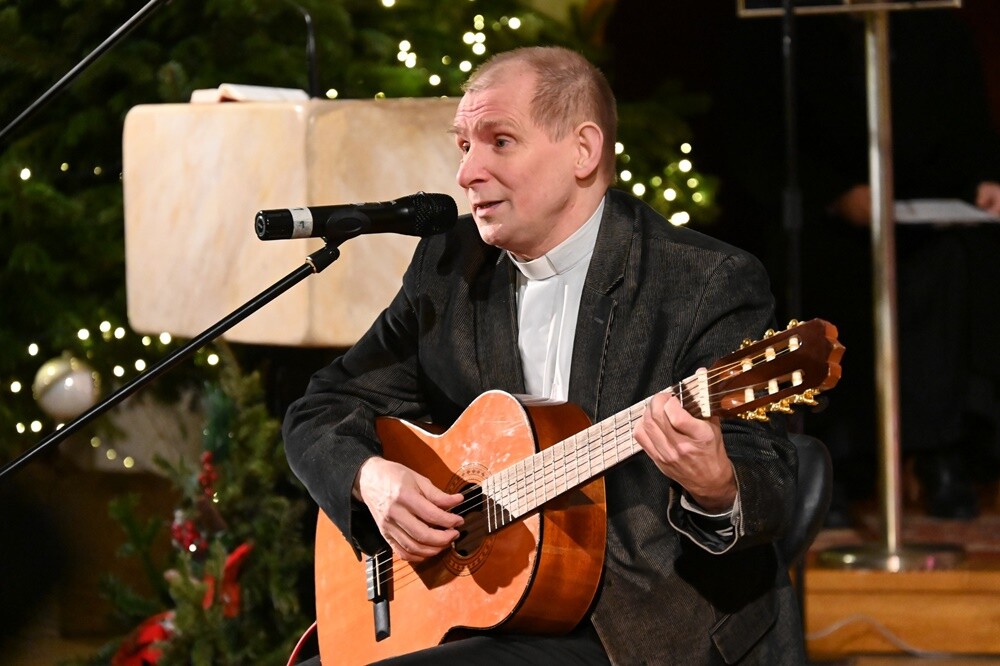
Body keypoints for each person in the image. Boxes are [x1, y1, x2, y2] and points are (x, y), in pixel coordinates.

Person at [283, 46, 805, 664]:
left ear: (583, 150)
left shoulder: (702, 281)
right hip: (482, 602)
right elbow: (322, 407)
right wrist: (371, 477)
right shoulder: (450, 266)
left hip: (636, 620)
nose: (467, 173)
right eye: (464, 146)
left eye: (499, 141)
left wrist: (715, 486)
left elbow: (769, 481)